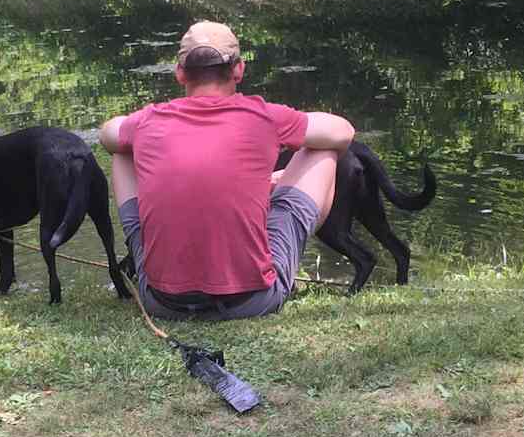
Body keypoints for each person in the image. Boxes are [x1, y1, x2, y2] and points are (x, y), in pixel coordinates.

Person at [99, 20, 354, 321]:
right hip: (251, 302)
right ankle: (276, 265)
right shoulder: (263, 116)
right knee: (323, 148)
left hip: (162, 302)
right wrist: (279, 175)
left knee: (121, 152)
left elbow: (108, 133)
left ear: (180, 73)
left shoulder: (148, 120)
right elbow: (343, 132)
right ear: (238, 70)